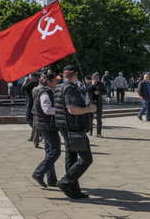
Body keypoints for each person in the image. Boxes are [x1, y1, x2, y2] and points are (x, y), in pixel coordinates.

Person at [54, 65, 97, 200]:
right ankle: (65, 182)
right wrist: (90, 109)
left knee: (71, 157)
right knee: (86, 158)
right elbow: (72, 109)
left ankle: (74, 190)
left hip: (64, 126)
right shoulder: (69, 88)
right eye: (76, 75)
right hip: (73, 127)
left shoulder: (59, 86)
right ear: (74, 75)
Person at [32, 73, 59, 188]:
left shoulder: (48, 91)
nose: (57, 82)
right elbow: (47, 110)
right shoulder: (44, 92)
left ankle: (52, 179)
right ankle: (38, 173)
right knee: (55, 152)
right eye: (55, 80)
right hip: (48, 126)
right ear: (49, 82)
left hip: (48, 125)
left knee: (49, 152)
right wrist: (61, 110)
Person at [22, 73, 40, 141]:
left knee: (28, 118)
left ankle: (38, 130)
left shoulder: (33, 82)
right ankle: (33, 136)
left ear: (31, 76)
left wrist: (25, 81)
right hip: (35, 102)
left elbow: (23, 88)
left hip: (30, 103)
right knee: (33, 119)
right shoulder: (37, 81)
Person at [86, 73, 105, 138]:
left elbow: (105, 92)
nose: (98, 78)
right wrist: (92, 85)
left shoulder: (101, 84)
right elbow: (85, 90)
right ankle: (90, 130)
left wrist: (99, 93)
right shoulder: (88, 83)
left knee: (99, 119)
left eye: (98, 77)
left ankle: (99, 133)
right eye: (96, 77)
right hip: (91, 103)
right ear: (93, 77)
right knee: (90, 118)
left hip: (98, 103)